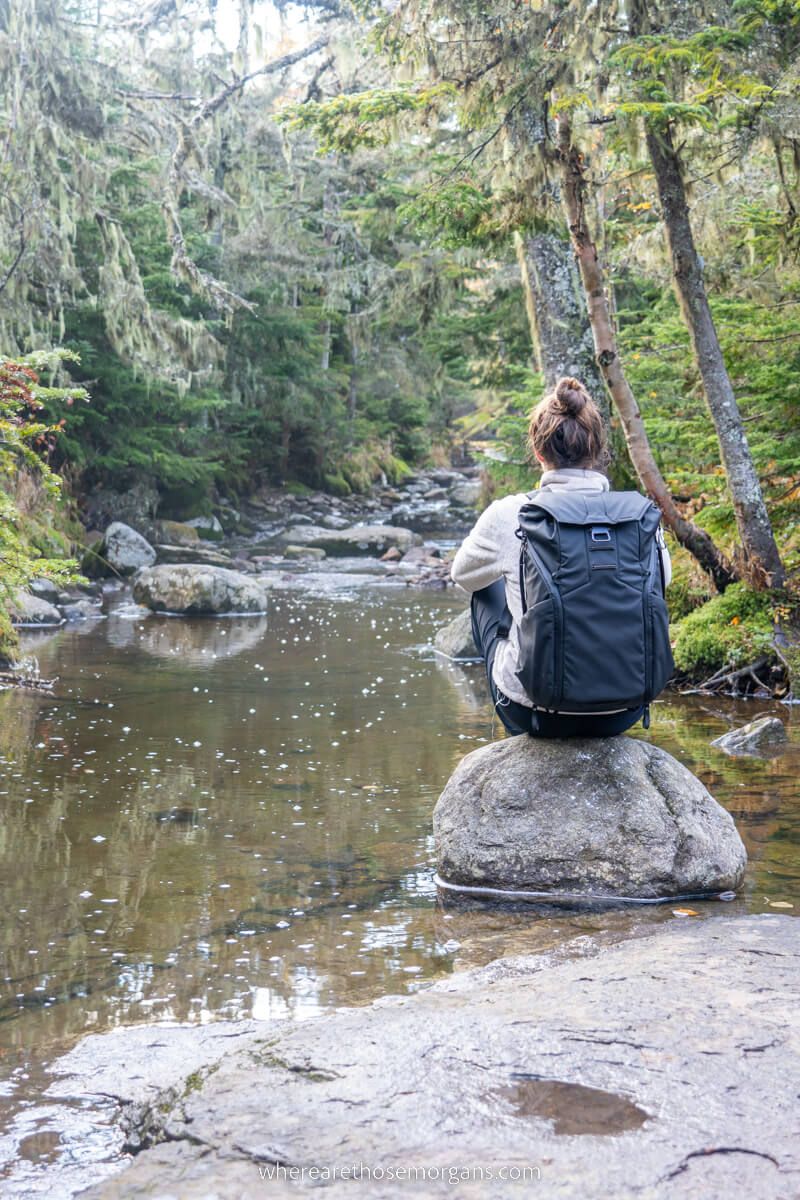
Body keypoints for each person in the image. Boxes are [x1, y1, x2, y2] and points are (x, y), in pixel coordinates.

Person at [450, 376, 671, 738]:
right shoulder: (641, 516)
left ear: (538, 454)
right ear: (598, 450)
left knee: (484, 592)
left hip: (537, 714)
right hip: (625, 710)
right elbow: (664, 582)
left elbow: (463, 575)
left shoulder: (512, 514)